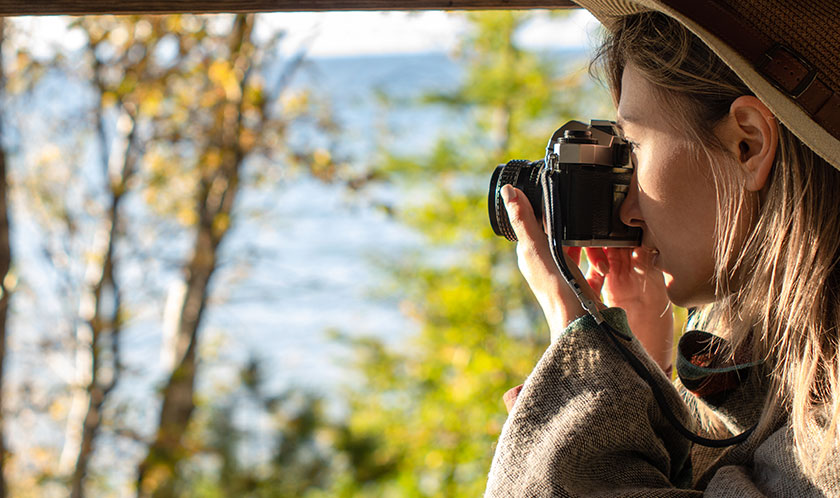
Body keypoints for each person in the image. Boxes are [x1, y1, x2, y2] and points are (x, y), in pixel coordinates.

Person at [485, 0, 840, 496]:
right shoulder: (804, 354)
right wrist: (642, 375)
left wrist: (584, 360)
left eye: (632, 146)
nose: (628, 208)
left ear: (749, 144)